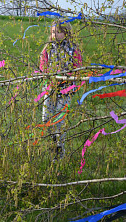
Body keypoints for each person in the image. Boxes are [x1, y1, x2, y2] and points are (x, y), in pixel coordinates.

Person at [39, 20, 82, 160]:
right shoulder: (47, 48)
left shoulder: (73, 49)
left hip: (65, 89)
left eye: (57, 32)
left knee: (60, 120)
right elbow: (43, 66)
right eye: (52, 32)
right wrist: (49, 74)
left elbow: (78, 68)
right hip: (50, 88)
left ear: (66, 33)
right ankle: (53, 143)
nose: (54, 35)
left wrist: (66, 77)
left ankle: (59, 150)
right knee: (46, 118)